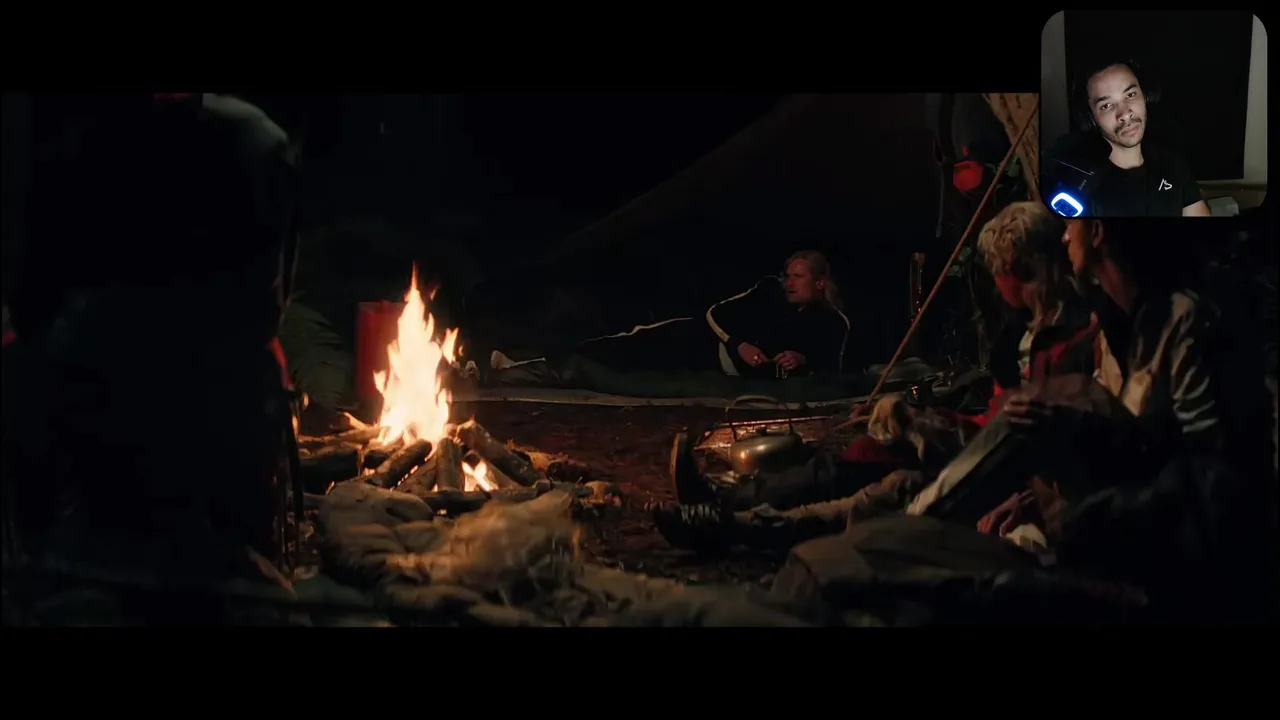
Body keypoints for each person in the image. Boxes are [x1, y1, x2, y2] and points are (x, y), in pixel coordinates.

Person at [2, 93, 301, 621]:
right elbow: (264, 307)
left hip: (107, 396)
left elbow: (31, 303)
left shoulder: (77, 142)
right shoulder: (255, 140)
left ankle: (69, 559)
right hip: (205, 400)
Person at [650, 202, 1102, 551]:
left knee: (877, 495)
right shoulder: (1022, 332)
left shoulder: (1076, 339)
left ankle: (733, 524)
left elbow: (1029, 443)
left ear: (1018, 269)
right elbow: (995, 423)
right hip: (979, 459)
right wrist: (919, 419)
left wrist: (936, 431)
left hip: (1002, 479)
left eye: (1000, 271)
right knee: (860, 460)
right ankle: (727, 503)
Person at [970, 217, 1274, 622]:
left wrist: (1100, 514)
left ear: (1098, 233)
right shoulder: (1128, 322)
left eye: (1073, 225)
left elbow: (1214, 473)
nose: (1064, 235)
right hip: (1145, 540)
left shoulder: (1186, 318)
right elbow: (1142, 440)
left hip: (1196, 572)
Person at [489, 250, 851, 379]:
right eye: (788, 275)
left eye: (798, 277)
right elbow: (715, 314)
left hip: (711, 368)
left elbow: (836, 366)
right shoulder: (769, 291)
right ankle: (520, 365)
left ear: (820, 283)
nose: (789, 282)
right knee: (620, 345)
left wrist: (803, 360)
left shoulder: (832, 322)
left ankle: (526, 365)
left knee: (627, 365)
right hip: (700, 340)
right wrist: (738, 344)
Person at [1048, 59, 1211, 217]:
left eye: (1130, 95)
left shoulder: (1173, 164)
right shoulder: (1079, 192)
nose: (1125, 114)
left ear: (1145, 96)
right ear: (1090, 118)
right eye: (1106, 106)